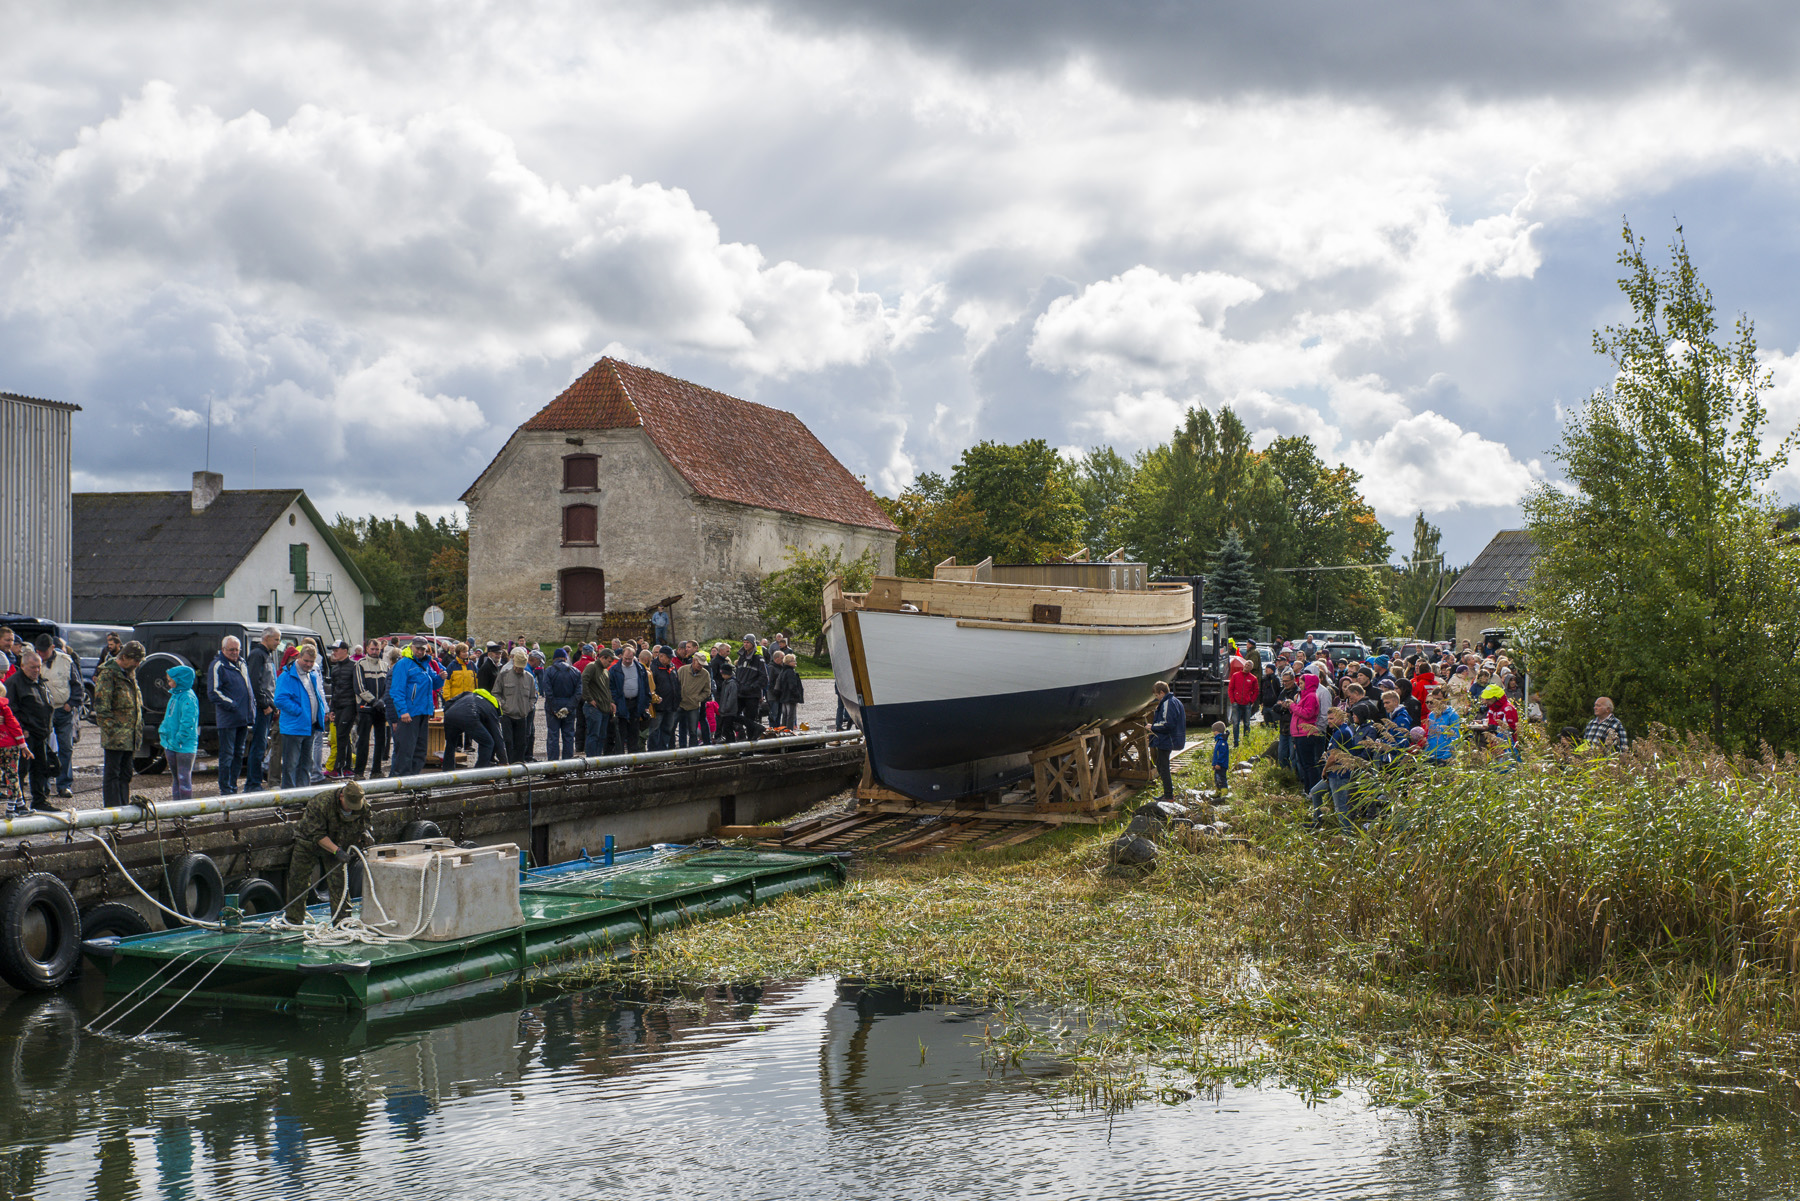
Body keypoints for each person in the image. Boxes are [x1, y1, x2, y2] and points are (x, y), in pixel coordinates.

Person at [281, 779, 374, 924]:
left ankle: (342, 922)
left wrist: (365, 834)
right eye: (348, 806)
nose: (350, 810)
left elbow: (366, 822)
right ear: (341, 796)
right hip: (309, 842)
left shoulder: (362, 806)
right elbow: (317, 835)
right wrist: (337, 852)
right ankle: (294, 920)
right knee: (298, 880)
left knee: (340, 884)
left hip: (338, 842)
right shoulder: (321, 803)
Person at [94, 640, 144, 809]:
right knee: (112, 775)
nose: (137, 664)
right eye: (135, 660)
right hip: (116, 737)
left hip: (130, 736)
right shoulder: (108, 674)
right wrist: (113, 732)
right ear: (124, 657)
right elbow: (102, 708)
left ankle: (125, 808)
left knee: (126, 774)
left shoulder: (130, 673)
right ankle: (113, 811)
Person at [275, 643, 328, 789]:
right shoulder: (287, 676)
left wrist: (320, 713)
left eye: (312, 662)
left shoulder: (312, 674)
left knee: (306, 764)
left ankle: (303, 794)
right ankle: (289, 797)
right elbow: (279, 699)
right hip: (294, 727)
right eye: (306, 661)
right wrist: (300, 711)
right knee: (291, 764)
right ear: (299, 657)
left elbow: (316, 695)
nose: (309, 664)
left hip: (308, 726)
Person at [6, 652, 53, 809]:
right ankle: (19, 804)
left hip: (40, 733)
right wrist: (22, 731)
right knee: (21, 770)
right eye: (33, 667)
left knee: (40, 768)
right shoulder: (14, 683)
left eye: (39, 667)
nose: (37, 670)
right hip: (26, 735)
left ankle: (40, 800)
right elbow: (11, 711)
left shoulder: (39, 681)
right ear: (23, 666)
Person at [209, 635, 255, 793]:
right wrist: (233, 705)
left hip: (243, 718)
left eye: (237, 649)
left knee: (238, 754)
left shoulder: (242, 663)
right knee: (227, 755)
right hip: (228, 719)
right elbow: (214, 692)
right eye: (231, 650)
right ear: (223, 650)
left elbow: (248, 687)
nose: (235, 652)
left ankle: (233, 786)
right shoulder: (218, 665)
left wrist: (250, 708)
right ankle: (225, 788)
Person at [37, 635, 79, 798]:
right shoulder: (36, 660)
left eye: (44, 651)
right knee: (43, 749)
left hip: (63, 710)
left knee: (66, 748)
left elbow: (77, 684)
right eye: (39, 651)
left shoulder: (66, 660)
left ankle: (64, 784)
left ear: (52, 648)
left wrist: (71, 703)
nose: (41, 654)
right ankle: (45, 785)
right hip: (43, 712)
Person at [388, 639, 437, 777]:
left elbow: (435, 683)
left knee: (420, 750)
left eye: (423, 649)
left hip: (423, 712)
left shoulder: (426, 664)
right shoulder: (403, 664)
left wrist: (442, 677)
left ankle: (413, 779)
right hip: (409, 714)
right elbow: (396, 690)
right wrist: (403, 711)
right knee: (405, 750)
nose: (420, 652)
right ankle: (400, 782)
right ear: (412, 647)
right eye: (418, 649)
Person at [244, 627, 281, 791]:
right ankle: (252, 783)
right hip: (261, 709)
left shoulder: (267, 655)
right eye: (276, 639)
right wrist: (265, 704)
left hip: (268, 706)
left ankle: (255, 781)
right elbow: (254, 682)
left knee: (261, 746)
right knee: (258, 746)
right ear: (266, 638)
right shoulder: (257, 655)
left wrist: (273, 705)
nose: (278, 643)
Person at [158, 664, 200, 800]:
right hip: (172, 744)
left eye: (170, 680)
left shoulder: (187, 698)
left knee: (183, 779)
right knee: (177, 779)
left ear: (179, 681)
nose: (168, 683)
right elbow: (168, 718)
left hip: (183, 746)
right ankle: (177, 810)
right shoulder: (175, 696)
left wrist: (178, 740)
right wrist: (164, 733)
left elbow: (188, 723)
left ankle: (186, 812)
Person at [441, 688, 506, 769]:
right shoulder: (492, 708)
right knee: (488, 743)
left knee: (450, 744)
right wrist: (503, 761)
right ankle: (479, 774)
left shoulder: (468, 694)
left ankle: (447, 773)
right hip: (470, 715)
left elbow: (448, 703)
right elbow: (497, 736)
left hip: (450, 714)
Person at [495, 647, 539, 763]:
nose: (519, 669)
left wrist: (528, 707)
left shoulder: (529, 678)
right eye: (517, 667)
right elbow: (496, 693)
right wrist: (503, 705)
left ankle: (519, 767)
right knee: (508, 742)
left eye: (521, 667)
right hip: (507, 714)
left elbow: (533, 696)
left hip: (522, 715)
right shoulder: (504, 675)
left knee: (522, 742)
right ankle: (508, 765)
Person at [352, 645, 391, 778]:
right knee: (363, 741)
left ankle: (376, 770)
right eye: (372, 649)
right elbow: (359, 687)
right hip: (366, 708)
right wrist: (374, 701)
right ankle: (359, 772)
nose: (374, 652)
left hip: (381, 708)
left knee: (381, 740)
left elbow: (388, 686)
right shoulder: (360, 664)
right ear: (367, 649)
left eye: (377, 649)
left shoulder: (385, 666)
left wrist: (382, 700)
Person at [324, 641, 360, 777]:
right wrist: (331, 709)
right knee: (343, 737)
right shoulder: (335, 668)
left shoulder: (354, 666)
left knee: (342, 736)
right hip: (338, 706)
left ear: (345, 650)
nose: (333, 652)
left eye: (336, 650)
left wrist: (356, 709)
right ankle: (347, 767)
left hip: (349, 706)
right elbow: (334, 690)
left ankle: (339, 768)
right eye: (333, 650)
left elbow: (357, 688)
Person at [1147, 680, 1186, 801]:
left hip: (1167, 740)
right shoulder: (1175, 701)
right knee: (1160, 764)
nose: (1157, 698)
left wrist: (1152, 727)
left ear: (1162, 692)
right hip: (1170, 739)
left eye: (1157, 695)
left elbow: (1168, 724)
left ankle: (1168, 795)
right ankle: (1167, 793)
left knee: (1163, 767)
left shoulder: (1168, 703)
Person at [542, 648, 582, 760]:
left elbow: (548, 692)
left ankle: (553, 764)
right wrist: (568, 708)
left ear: (554, 658)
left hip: (552, 708)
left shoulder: (549, 671)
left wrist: (555, 709)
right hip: (569, 706)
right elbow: (578, 693)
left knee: (553, 736)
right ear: (565, 658)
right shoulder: (576, 672)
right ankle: (567, 764)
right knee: (569, 736)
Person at [610, 646, 651, 753]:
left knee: (634, 732)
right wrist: (614, 702)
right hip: (622, 703)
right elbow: (611, 688)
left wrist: (646, 705)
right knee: (621, 733)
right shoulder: (614, 670)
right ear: (621, 656)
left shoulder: (640, 668)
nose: (627, 661)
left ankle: (633, 759)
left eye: (630, 659)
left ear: (634, 657)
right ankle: (621, 760)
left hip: (636, 703)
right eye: (625, 658)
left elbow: (646, 687)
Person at [1289, 667, 1323, 792]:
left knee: (1308, 764)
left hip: (1305, 734)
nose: (1299, 685)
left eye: (1302, 683)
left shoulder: (1311, 696)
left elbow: (1307, 713)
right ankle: (1308, 789)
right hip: (1299, 734)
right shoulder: (1304, 695)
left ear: (1308, 684)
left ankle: (1311, 790)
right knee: (1304, 764)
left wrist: (1292, 706)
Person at [580, 649, 617, 755]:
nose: (610, 663)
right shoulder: (592, 666)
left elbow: (607, 689)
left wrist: (611, 702)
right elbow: (583, 681)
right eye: (609, 661)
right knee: (594, 735)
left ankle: (597, 760)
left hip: (603, 707)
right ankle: (592, 761)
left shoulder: (605, 671)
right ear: (602, 657)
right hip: (594, 708)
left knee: (601, 736)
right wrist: (589, 699)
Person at [0, 691, 29, 818]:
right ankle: (12, 808)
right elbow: (14, 726)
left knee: (9, 775)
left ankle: (21, 804)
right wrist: (23, 745)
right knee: (12, 776)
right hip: (10, 745)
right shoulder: (5, 708)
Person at [676, 651, 711, 748]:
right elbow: (676, 685)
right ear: (694, 661)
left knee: (693, 731)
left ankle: (693, 752)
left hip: (694, 706)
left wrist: (697, 699)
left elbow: (707, 691)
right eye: (699, 664)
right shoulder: (682, 670)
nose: (701, 666)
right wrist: (679, 698)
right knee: (681, 727)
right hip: (681, 704)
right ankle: (682, 749)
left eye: (702, 664)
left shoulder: (705, 674)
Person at [648, 647, 680, 750]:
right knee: (654, 730)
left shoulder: (672, 667)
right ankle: (653, 753)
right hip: (658, 706)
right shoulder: (653, 668)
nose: (671, 659)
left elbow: (676, 684)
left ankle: (663, 752)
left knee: (668, 729)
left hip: (671, 705)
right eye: (669, 657)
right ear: (661, 656)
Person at [1226, 656, 1258, 747]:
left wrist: (1251, 701)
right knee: (1235, 723)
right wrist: (1233, 700)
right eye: (1246, 665)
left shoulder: (1253, 678)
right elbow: (1230, 689)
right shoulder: (1235, 675)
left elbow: (1256, 691)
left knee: (1247, 723)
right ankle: (1236, 742)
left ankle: (1246, 741)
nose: (1247, 666)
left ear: (1251, 668)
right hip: (1236, 703)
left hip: (1246, 704)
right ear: (1244, 665)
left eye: (1249, 666)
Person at [714, 661, 741, 743]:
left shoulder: (732, 684)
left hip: (729, 711)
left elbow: (731, 699)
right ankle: (730, 745)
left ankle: (732, 746)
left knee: (728, 729)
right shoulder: (725, 683)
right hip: (725, 711)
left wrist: (726, 708)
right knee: (726, 729)